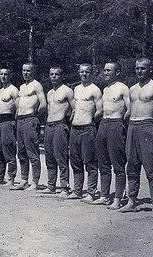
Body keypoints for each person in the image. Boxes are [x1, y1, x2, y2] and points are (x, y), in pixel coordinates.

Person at [119, 58, 153, 218]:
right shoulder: (132, 89)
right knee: (131, 167)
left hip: (147, 127)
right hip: (132, 127)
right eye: (137, 68)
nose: (139, 71)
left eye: (142, 68)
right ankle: (132, 201)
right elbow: (129, 110)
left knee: (151, 168)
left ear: (150, 69)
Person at [94, 62, 130, 208]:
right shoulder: (105, 89)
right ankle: (104, 196)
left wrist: (121, 122)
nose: (106, 72)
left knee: (118, 164)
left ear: (118, 72)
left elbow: (130, 108)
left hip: (116, 124)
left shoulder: (123, 88)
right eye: (105, 70)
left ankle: (117, 198)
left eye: (109, 70)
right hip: (103, 124)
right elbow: (102, 110)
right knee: (103, 163)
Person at [68, 63, 102, 202]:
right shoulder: (75, 89)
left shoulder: (95, 90)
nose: (84, 74)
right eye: (82, 71)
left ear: (91, 73)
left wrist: (91, 120)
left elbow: (100, 110)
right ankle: (77, 191)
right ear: (78, 72)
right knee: (75, 161)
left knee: (90, 162)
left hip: (88, 129)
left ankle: (91, 192)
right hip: (74, 129)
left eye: (87, 71)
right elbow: (75, 108)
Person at [12, 62, 46, 191]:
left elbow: (43, 103)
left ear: (33, 71)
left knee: (32, 151)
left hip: (30, 120)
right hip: (20, 120)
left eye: (28, 71)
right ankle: (24, 180)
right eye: (23, 70)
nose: (25, 73)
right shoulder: (21, 87)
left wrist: (34, 114)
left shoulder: (36, 85)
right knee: (21, 152)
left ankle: (35, 182)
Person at [41, 66, 73, 196]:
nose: (54, 76)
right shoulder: (49, 93)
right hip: (49, 126)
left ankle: (64, 187)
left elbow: (75, 109)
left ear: (62, 76)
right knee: (49, 157)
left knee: (61, 156)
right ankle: (51, 185)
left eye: (57, 74)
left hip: (60, 125)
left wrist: (66, 123)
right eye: (51, 74)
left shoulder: (67, 91)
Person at [0, 66, 19, 186]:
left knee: (8, 151)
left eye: (5, 74)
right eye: (1, 74)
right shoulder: (0, 91)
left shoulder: (13, 90)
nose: (3, 76)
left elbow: (19, 108)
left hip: (8, 121)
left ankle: (11, 179)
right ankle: (0, 177)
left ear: (10, 75)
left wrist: (13, 123)